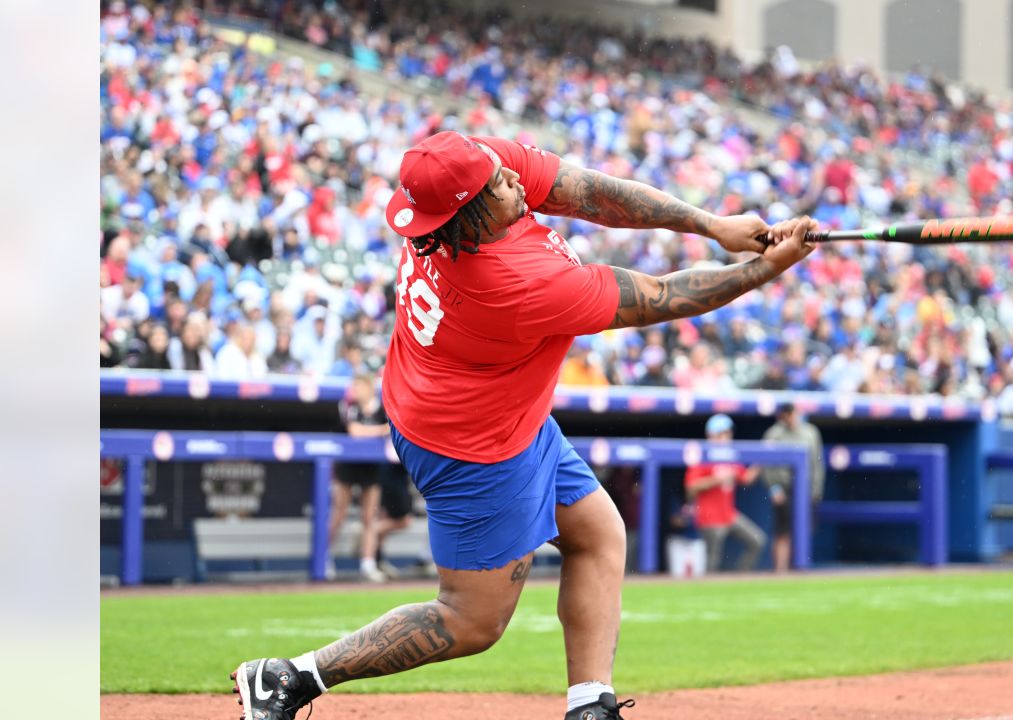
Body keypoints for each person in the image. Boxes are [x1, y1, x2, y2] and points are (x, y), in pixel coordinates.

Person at [232, 130, 817, 720]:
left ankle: (590, 707)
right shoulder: (512, 285)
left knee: (597, 536)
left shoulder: (464, 170)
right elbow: (663, 295)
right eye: (498, 186)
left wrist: (711, 223)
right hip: (472, 444)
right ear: (469, 216)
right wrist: (763, 269)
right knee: (471, 619)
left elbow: (589, 192)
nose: (513, 180)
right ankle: (289, 678)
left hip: (487, 408)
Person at [327, 374, 392, 583]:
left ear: (369, 387)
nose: (355, 391)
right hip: (347, 464)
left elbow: (392, 428)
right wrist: (380, 430)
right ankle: (325, 559)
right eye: (354, 387)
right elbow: (355, 431)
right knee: (339, 512)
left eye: (359, 386)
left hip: (371, 467)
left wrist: (380, 430)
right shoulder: (348, 406)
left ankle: (368, 563)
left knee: (369, 517)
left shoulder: (382, 407)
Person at [684, 414, 767, 573]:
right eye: (722, 433)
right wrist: (716, 479)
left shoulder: (731, 456)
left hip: (729, 515)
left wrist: (762, 457)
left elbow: (747, 478)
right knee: (713, 562)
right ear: (711, 435)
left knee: (757, 541)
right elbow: (691, 487)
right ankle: (706, 591)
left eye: (728, 433)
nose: (726, 437)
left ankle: (740, 577)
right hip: (709, 517)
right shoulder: (703, 455)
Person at [761, 402, 826, 572]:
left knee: (804, 531)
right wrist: (774, 488)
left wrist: (816, 490)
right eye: (786, 414)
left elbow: (817, 464)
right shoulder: (774, 434)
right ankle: (780, 572)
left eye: (791, 413)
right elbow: (766, 464)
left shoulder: (810, 432)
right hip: (783, 488)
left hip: (806, 489)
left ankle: (797, 569)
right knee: (783, 532)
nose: (789, 417)